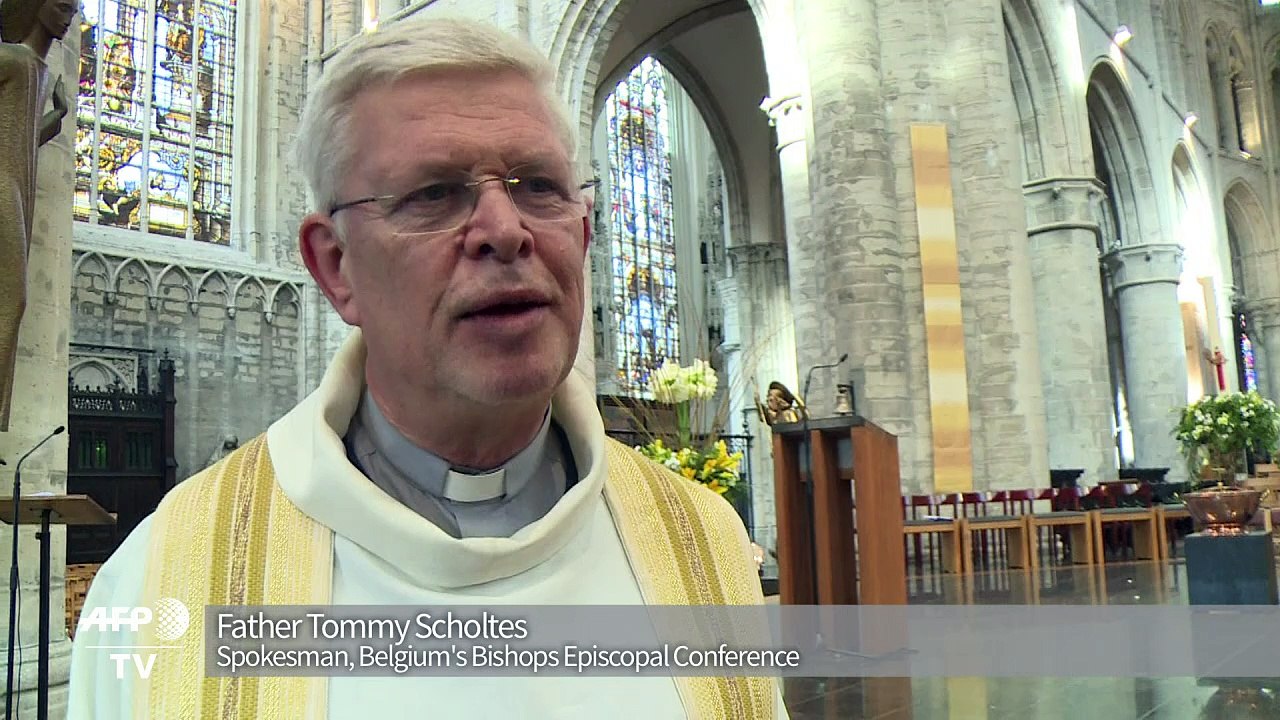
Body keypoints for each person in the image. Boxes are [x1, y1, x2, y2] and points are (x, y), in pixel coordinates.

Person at [68, 17, 783, 719]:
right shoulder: (166, 585)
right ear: (336, 266)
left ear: (584, 234)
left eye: (537, 185)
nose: (506, 232)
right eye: (435, 193)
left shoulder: (704, 548)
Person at [0, 0, 73, 431]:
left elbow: (24, 139)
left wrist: (57, 116)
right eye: (63, 6)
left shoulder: (36, 69)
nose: (69, 18)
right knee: (13, 298)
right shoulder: (11, 59)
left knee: (12, 300)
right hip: (2, 184)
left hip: (18, 181)